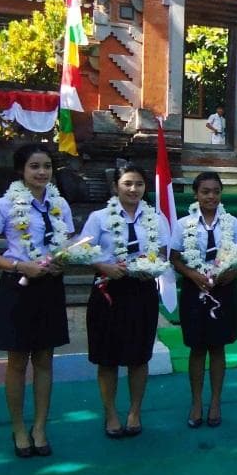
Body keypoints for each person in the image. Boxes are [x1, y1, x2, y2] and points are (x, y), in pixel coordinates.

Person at [0, 144, 75, 457]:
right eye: (35, 166)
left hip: (49, 286)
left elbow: (67, 245)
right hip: (17, 287)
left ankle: (40, 426)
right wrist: (20, 265)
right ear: (21, 170)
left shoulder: (60, 204)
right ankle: (19, 427)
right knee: (18, 361)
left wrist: (64, 261)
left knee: (45, 359)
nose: (42, 172)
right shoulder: (3, 206)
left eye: (47, 166)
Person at [81, 164, 171, 439]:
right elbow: (82, 252)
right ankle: (110, 413)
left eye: (139, 184)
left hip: (141, 291)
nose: (134, 189)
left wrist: (152, 267)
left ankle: (134, 410)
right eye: (128, 184)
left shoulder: (156, 219)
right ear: (116, 186)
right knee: (107, 358)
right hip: (108, 291)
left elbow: (163, 254)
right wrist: (103, 266)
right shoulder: (99, 218)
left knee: (139, 356)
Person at [169, 172, 237, 428]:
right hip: (194, 290)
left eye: (216, 191)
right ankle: (196, 402)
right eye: (205, 191)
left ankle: (215, 401)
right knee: (197, 347)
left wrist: (231, 272)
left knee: (217, 346)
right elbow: (175, 257)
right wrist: (192, 274)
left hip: (223, 290)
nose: (211, 196)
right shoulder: (184, 224)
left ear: (221, 194)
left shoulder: (232, 223)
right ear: (196, 194)